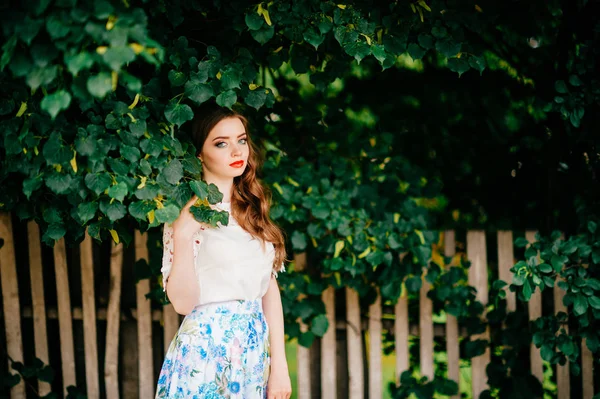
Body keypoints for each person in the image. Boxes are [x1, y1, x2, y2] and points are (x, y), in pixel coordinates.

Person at [155, 102, 292, 399]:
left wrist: (279, 365)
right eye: (221, 143)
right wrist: (181, 236)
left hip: (254, 354)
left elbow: (268, 289)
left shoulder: (251, 210)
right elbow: (182, 304)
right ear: (199, 154)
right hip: (205, 354)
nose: (237, 151)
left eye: (241, 140)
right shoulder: (185, 217)